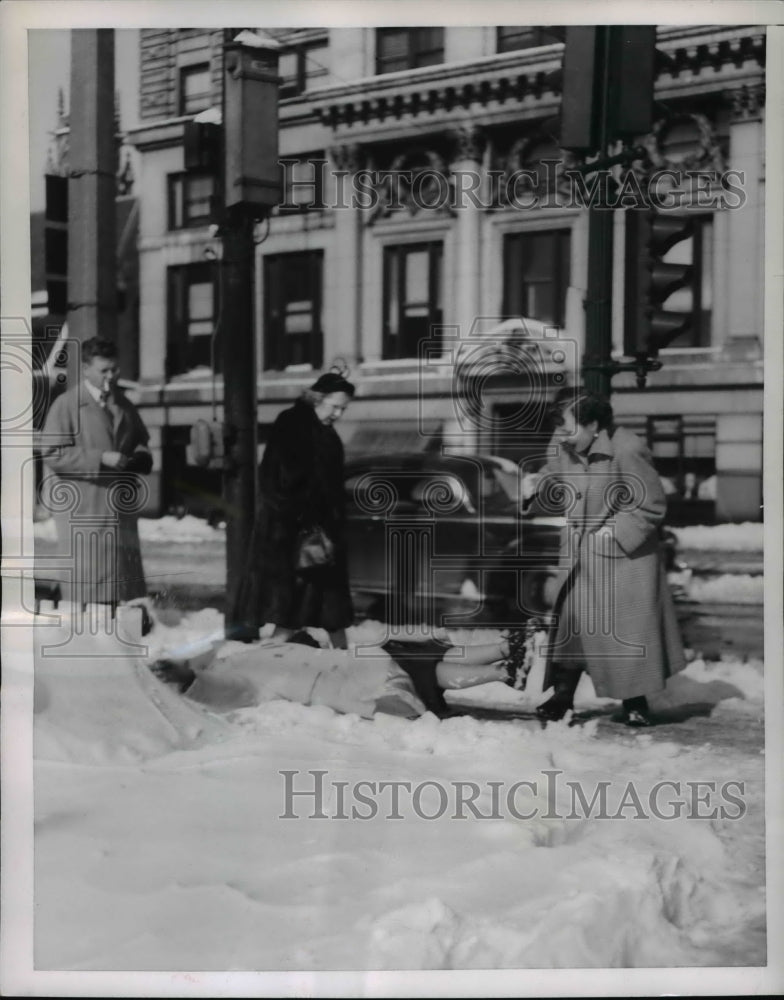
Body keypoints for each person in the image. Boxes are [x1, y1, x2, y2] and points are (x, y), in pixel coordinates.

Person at [523, 389, 686, 727]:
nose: (564, 438)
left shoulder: (627, 449)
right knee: (575, 627)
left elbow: (650, 506)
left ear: (594, 425)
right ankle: (563, 695)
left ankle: (635, 701)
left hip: (624, 560)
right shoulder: (564, 443)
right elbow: (554, 472)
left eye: (570, 429)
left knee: (625, 634)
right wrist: (537, 482)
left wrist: (610, 535)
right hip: (581, 555)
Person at [151, 627, 532, 720]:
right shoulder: (233, 680)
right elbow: (214, 692)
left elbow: (304, 641)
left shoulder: (243, 655)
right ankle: (502, 671)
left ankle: (506, 649)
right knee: (421, 670)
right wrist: (185, 682)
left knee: (415, 651)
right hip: (352, 684)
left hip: (354, 663)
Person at [234, 371, 356, 648]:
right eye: (334, 406)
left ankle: (342, 661)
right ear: (317, 398)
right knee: (291, 612)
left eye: (343, 409)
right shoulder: (293, 424)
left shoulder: (323, 430)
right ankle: (269, 666)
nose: (338, 413)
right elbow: (279, 482)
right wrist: (308, 518)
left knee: (325, 611)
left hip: (316, 537)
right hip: (293, 536)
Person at [40, 337, 152, 606]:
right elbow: (53, 453)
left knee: (122, 590)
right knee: (87, 592)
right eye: (104, 370)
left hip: (119, 508)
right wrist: (101, 458)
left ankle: (121, 634)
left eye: (114, 369)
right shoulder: (66, 405)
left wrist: (140, 458)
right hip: (84, 509)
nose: (111, 377)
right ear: (86, 369)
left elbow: (142, 441)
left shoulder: (124, 405)